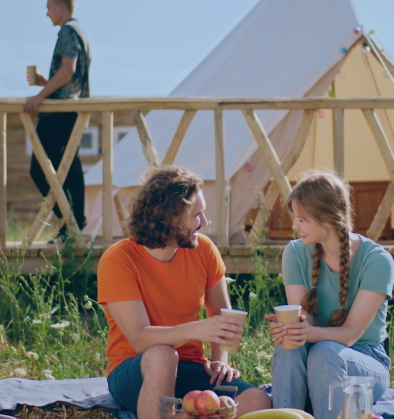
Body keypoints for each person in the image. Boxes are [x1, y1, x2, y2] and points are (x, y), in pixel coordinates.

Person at [97, 166, 271, 419]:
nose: (204, 222)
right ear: (170, 218)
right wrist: (195, 329)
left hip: (192, 368)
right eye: (197, 215)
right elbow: (139, 338)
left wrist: (220, 359)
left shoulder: (204, 249)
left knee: (257, 399)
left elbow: (223, 316)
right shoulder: (119, 259)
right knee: (162, 355)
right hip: (135, 370)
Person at [266, 171, 394, 419]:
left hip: (364, 361)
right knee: (289, 347)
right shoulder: (295, 253)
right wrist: (292, 328)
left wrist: (308, 333)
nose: (295, 226)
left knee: (324, 351)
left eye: (302, 219)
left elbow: (349, 335)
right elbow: (304, 318)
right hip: (316, 351)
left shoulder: (377, 260)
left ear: (327, 221)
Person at [24, 0, 91, 242]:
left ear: (62, 7)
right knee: (69, 167)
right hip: (72, 107)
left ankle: (69, 222)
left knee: (40, 169)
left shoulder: (67, 31)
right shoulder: (80, 31)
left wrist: (40, 95)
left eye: (49, 7)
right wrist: (46, 82)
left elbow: (68, 69)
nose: (47, 13)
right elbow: (68, 75)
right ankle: (71, 226)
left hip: (60, 110)